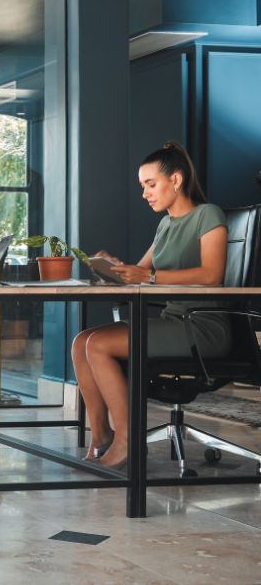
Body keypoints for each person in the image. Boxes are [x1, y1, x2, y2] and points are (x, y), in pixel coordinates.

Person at [72, 141, 229, 469]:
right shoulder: (165, 225)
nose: (145, 193)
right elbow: (141, 275)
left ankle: (128, 439)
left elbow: (212, 275)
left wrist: (149, 276)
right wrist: (116, 268)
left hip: (202, 326)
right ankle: (101, 434)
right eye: (142, 186)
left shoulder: (208, 214)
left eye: (150, 184)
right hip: (175, 321)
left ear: (176, 179)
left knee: (98, 344)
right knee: (81, 341)